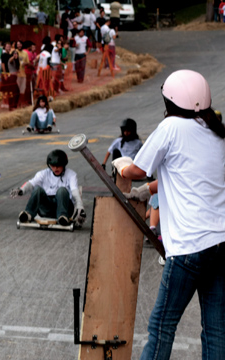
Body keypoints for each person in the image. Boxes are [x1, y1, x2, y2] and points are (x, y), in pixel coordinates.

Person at [111, 70, 225, 360]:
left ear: (170, 101)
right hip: (220, 245)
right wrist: (146, 192)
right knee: (216, 331)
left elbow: (138, 169)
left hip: (189, 248)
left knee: (162, 326)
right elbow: (184, 176)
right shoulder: (216, 130)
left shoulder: (172, 126)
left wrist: (123, 168)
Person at [10, 149, 86, 227]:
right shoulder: (43, 173)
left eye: (58, 165)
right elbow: (31, 183)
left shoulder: (71, 174)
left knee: (62, 190)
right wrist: (22, 190)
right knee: (37, 189)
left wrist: (80, 206)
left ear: (64, 164)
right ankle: (28, 214)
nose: (56, 168)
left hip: (64, 206)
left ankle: (62, 217)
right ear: (49, 165)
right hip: (47, 208)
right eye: (53, 166)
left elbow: (75, 191)